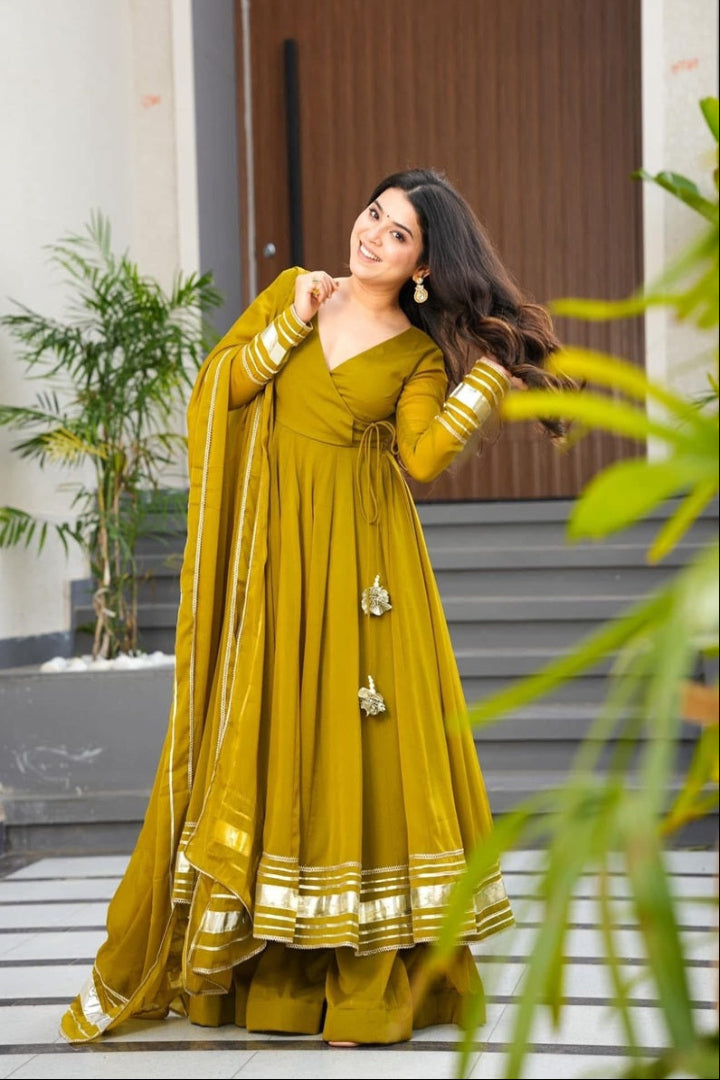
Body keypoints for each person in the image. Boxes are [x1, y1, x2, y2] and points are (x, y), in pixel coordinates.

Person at [60, 168, 566, 1048]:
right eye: (374, 213)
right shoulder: (296, 292)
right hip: (276, 570)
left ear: (422, 264)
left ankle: (367, 982)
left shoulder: (413, 353)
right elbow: (222, 389)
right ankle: (277, 980)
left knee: (355, 760)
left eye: (398, 231)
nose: (372, 233)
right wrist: (284, 329)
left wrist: (483, 381)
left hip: (367, 577)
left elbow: (423, 459)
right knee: (274, 746)